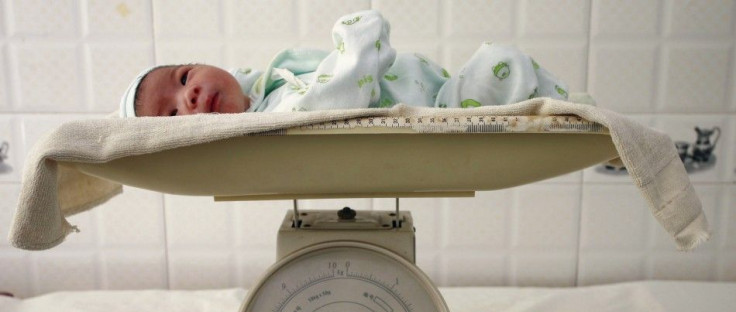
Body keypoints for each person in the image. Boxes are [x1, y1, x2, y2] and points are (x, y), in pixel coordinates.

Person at [120, 10, 568, 118]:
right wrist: (356, 39)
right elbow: (338, 94)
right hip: (446, 107)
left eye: (182, 78)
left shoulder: (267, 82)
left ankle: (567, 107)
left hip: (441, 87)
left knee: (503, 61)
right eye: (174, 112)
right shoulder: (277, 117)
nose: (190, 93)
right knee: (500, 62)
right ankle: (571, 112)